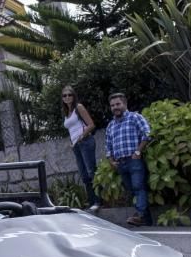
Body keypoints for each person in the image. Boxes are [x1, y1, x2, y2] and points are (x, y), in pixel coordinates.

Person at [105, 92, 153, 226]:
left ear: (125, 104)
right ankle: (147, 222)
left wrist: (138, 151)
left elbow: (147, 133)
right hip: (120, 163)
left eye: (118, 104)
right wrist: (111, 161)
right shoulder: (110, 125)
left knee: (138, 187)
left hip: (134, 160)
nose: (115, 107)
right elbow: (108, 146)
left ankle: (140, 216)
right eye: (112, 105)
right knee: (133, 191)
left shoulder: (135, 117)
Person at [61, 85, 101, 212]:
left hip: (85, 141)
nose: (67, 97)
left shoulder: (79, 107)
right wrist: (72, 142)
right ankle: (91, 202)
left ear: (74, 96)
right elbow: (72, 129)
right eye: (64, 95)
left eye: (69, 95)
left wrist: (80, 137)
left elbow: (91, 125)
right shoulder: (66, 112)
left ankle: (98, 201)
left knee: (91, 171)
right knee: (84, 175)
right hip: (76, 145)